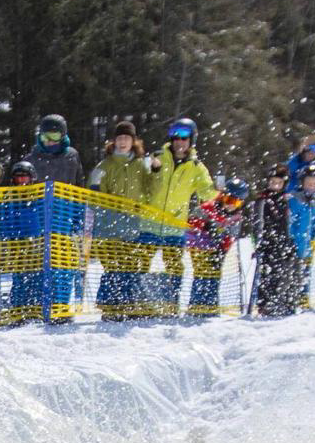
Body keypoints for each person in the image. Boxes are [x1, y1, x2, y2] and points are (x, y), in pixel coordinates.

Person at [144, 117, 216, 317]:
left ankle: (170, 304)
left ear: (191, 140)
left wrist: (223, 199)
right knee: (141, 262)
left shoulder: (196, 167)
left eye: (184, 137)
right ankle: (138, 304)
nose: (179, 141)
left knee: (174, 265)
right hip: (149, 221)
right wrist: (152, 169)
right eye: (175, 136)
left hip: (174, 224)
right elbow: (142, 182)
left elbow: (207, 192)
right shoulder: (157, 157)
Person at [90, 119, 154, 320]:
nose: (123, 142)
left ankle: (129, 305)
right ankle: (110, 307)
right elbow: (94, 193)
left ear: (133, 141)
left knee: (130, 266)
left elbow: (150, 189)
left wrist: (156, 170)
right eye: (120, 138)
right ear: (114, 141)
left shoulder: (140, 164)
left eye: (127, 138)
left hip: (132, 224)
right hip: (108, 225)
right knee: (112, 267)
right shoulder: (105, 165)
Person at [0, 158, 49, 323]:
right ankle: (18, 308)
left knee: (36, 274)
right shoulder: (8, 197)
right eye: (18, 178)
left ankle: (36, 307)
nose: (22, 182)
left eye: (25, 178)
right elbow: (2, 219)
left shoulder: (40, 196)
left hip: (36, 240)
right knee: (19, 275)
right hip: (16, 241)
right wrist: (6, 237)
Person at [185, 178, 247, 318]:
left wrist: (222, 250)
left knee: (214, 274)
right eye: (229, 200)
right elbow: (191, 222)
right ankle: (197, 306)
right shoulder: (208, 207)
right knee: (202, 274)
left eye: (236, 202)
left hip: (216, 248)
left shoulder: (236, 217)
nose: (231, 205)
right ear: (223, 196)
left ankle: (210, 306)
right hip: (199, 246)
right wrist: (205, 226)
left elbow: (230, 236)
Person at [248, 166, 300, 317]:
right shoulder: (263, 200)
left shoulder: (285, 199)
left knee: (285, 274)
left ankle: (283, 302)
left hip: (283, 242)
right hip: (268, 243)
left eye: (279, 183)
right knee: (267, 276)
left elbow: (288, 222)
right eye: (273, 182)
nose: (275, 186)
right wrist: (259, 243)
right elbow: (258, 223)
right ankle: (265, 305)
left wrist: (289, 241)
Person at [290, 161, 315, 306]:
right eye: (309, 183)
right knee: (293, 275)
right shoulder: (295, 200)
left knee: (303, 274)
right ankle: (292, 300)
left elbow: (313, 225)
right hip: (294, 245)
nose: (311, 186)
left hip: (306, 247)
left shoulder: (313, 202)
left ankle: (301, 299)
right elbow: (291, 223)